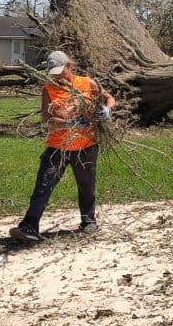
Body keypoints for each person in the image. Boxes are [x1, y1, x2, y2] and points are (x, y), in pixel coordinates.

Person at [9, 51, 116, 241]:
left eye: (60, 71)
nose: (57, 76)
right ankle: (29, 227)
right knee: (43, 185)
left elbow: (109, 98)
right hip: (57, 147)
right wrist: (69, 124)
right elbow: (47, 118)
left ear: (69, 65)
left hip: (86, 146)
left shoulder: (86, 83)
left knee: (87, 186)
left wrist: (107, 109)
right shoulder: (48, 89)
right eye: (53, 73)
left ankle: (88, 222)